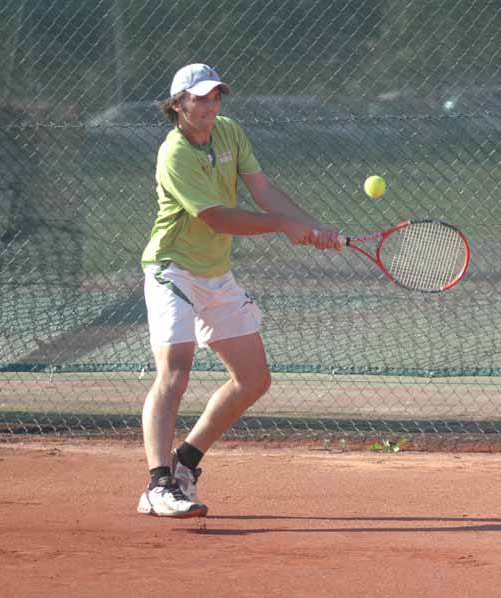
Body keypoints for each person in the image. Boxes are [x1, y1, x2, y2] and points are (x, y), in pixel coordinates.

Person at [137, 63, 340, 517]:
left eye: (216, 97)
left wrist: (311, 226)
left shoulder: (228, 132)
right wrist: (282, 226)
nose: (211, 106)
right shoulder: (174, 154)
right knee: (175, 372)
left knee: (253, 379)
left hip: (215, 273)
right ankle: (158, 485)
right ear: (178, 104)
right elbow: (216, 217)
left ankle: (185, 462)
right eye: (200, 98)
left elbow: (262, 190)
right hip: (173, 270)